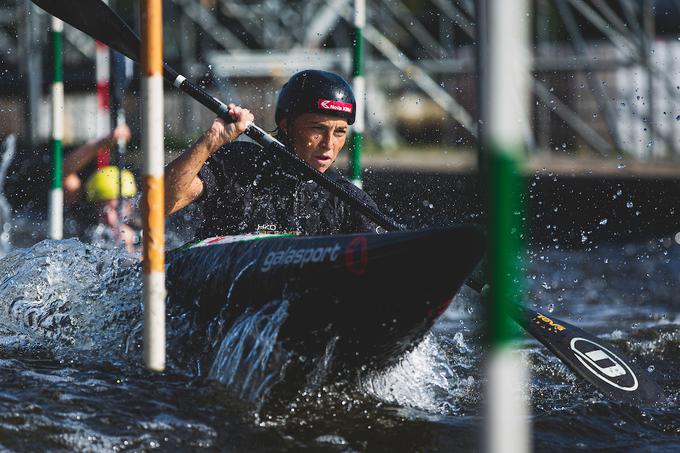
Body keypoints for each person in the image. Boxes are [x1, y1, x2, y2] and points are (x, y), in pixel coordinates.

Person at [164, 69, 381, 238]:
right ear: (287, 125)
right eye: (318, 129)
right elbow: (157, 206)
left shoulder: (346, 199)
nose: (329, 144)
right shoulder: (238, 165)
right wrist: (211, 141)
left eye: (340, 132)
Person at [62, 125, 132, 205]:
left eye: (114, 208)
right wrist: (102, 142)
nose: (109, 217)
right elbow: (63, 170)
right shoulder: (82, 208)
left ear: (130, 205)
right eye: (104, 208)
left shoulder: (142, 213)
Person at [83, 165, 140, 254]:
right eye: (103, 211)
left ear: (130, 205)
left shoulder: (144, 231)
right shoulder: (86, 233)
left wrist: (129, 246)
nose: (110, 218)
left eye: (117, 209)